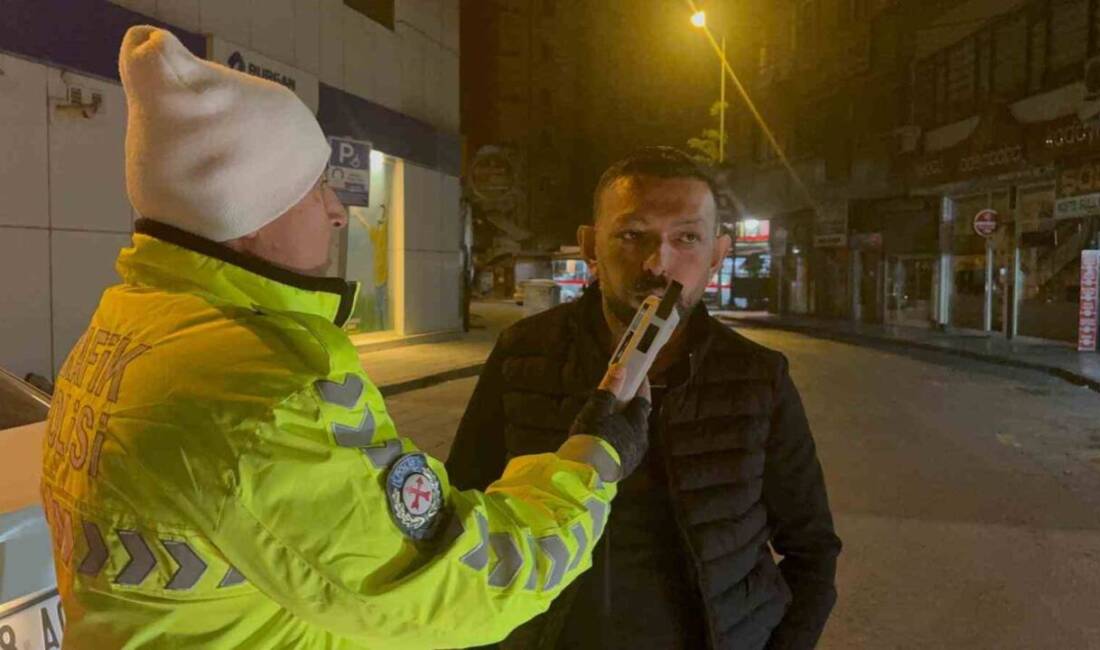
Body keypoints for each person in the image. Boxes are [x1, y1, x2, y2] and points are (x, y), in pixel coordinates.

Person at [40, 27, 650, 649]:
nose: (337, 211)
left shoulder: (129, 326)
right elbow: (459, 586)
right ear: (248, 214)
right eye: (315, 187)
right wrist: (593, 462)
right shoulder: (268, 392)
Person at [447, 147, 842, 650]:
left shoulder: (757, 376)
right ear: (591, 245)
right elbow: (462, 512)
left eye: (687, 238)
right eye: (632, 235)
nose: (658, 262)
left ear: (717, 255)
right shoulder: (524, 353)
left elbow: (812, 550)